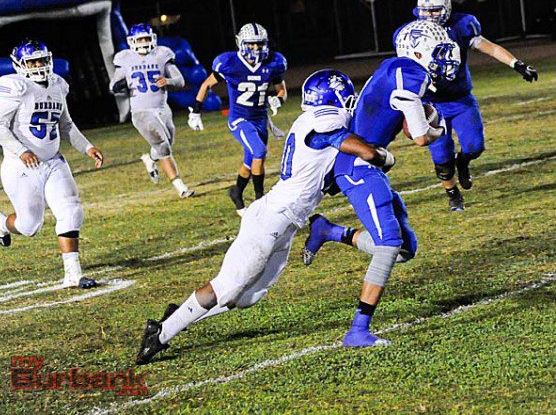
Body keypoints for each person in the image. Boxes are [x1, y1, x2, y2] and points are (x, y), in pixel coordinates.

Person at [135, 69, 395, 365]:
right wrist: (383, 156)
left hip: (286, 222)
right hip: (271, 218)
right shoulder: (325, 121)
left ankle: (182, 313)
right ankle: (160, 333)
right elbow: (363, 151)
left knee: (248, 297)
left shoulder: (312, 121)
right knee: (228, 287)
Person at [303, 20, 461, 346]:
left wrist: (426, 117)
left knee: (404, 249)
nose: (443, 55)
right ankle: (357, 330)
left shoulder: (394, 66)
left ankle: (329, 231)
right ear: (416, 51)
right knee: (389, 243)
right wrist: (439, 129)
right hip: (360, 168)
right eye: (436, 50)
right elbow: (418, 136)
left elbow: (402, 120)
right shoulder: (410, 71)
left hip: (363, 167)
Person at [395, 0, 538, 210]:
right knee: (442, 157)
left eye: (435, 11)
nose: (430, 16)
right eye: (425, 11)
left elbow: (489, 47)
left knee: (475, 146)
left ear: (446, 9)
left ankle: (463, 162)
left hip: (460, 99)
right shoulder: (409, 33)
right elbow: (401, 69)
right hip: (431, 104)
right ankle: (453, 195)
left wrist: (516, 64)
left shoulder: (461, 25)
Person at [0, 40, 103, 288]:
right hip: (21, 165)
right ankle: (0, 222)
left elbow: (66, 124)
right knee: (29, 225)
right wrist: (21, 151)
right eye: (32, 61)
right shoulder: (14, 86)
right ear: (20, 65)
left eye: (42, 60)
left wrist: (87, 147)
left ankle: (73, 274)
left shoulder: (57, 84)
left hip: (53, 161)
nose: (39, 65)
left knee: (71, 209)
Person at [188, 23, 288, 216]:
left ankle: (237, 193)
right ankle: (261, 201)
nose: (256, 49)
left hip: (260, 119)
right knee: (259, 151)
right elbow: (206, 84)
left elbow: (281, 91)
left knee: (251, 162)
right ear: (241, 43)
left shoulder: (273, 63)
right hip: (239, 119)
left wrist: (278, 100)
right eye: (251, 45)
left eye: (259, 44)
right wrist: (196, 111)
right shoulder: (229, 63)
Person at [110, 23, 194, 198]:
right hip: (141, 112)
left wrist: (168, 82)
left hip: (163, 109)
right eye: (140, 39)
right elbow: (114, 84)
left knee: (167, 143)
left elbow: (180, 81)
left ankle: (150, 159)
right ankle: (180, 187)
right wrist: (118, 86)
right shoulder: (125, 58)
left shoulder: (161, 55)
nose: (143, 42)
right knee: (163, 147)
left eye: (146, 38)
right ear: (132, 41)